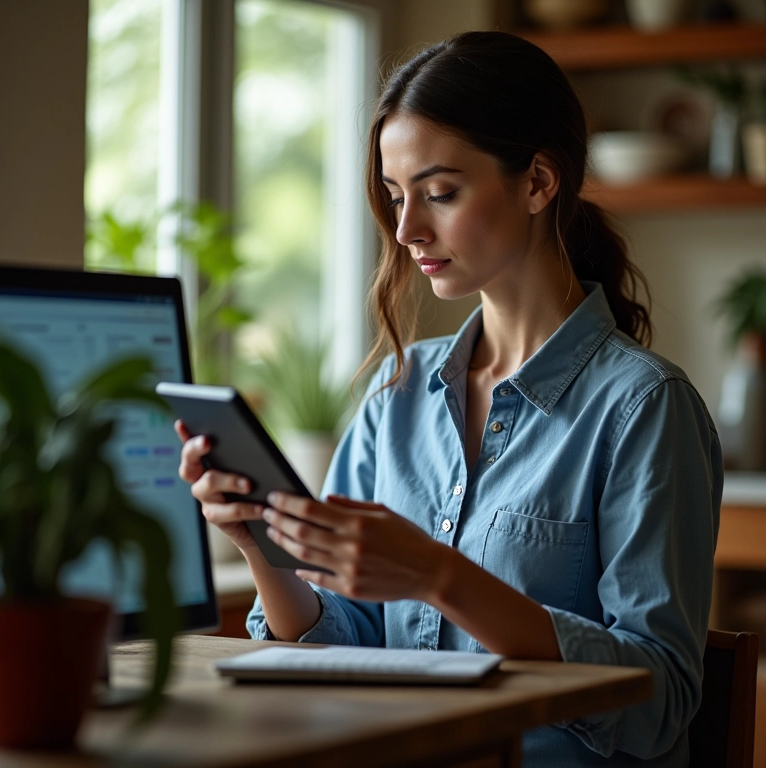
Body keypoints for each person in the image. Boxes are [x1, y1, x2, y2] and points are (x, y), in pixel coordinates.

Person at [177, 31, 722, 766]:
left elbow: (660, 702)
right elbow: (347, 643)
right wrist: (261, 545)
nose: (406, 230)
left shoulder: (644, 408)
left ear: (537, 182)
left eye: (439, 193)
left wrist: (439, 576)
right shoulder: (395, 393)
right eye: (397, 197)